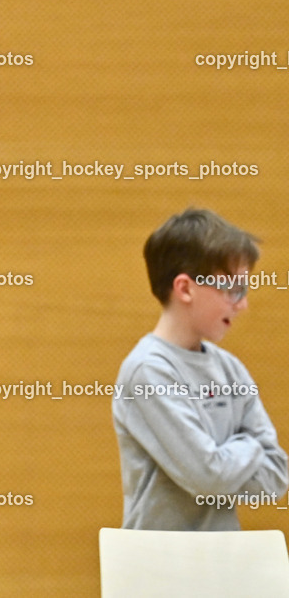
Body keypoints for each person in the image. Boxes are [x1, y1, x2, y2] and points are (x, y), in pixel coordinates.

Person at [113, 208, 288, 530]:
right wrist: (249, 445)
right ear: (185, 288)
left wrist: (219, 466)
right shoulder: (148, 372)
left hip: (222, 564)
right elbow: (207, 476)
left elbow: (276, 477)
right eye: (233, 290)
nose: (243, 304)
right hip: (159, 568)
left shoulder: (230, 369)